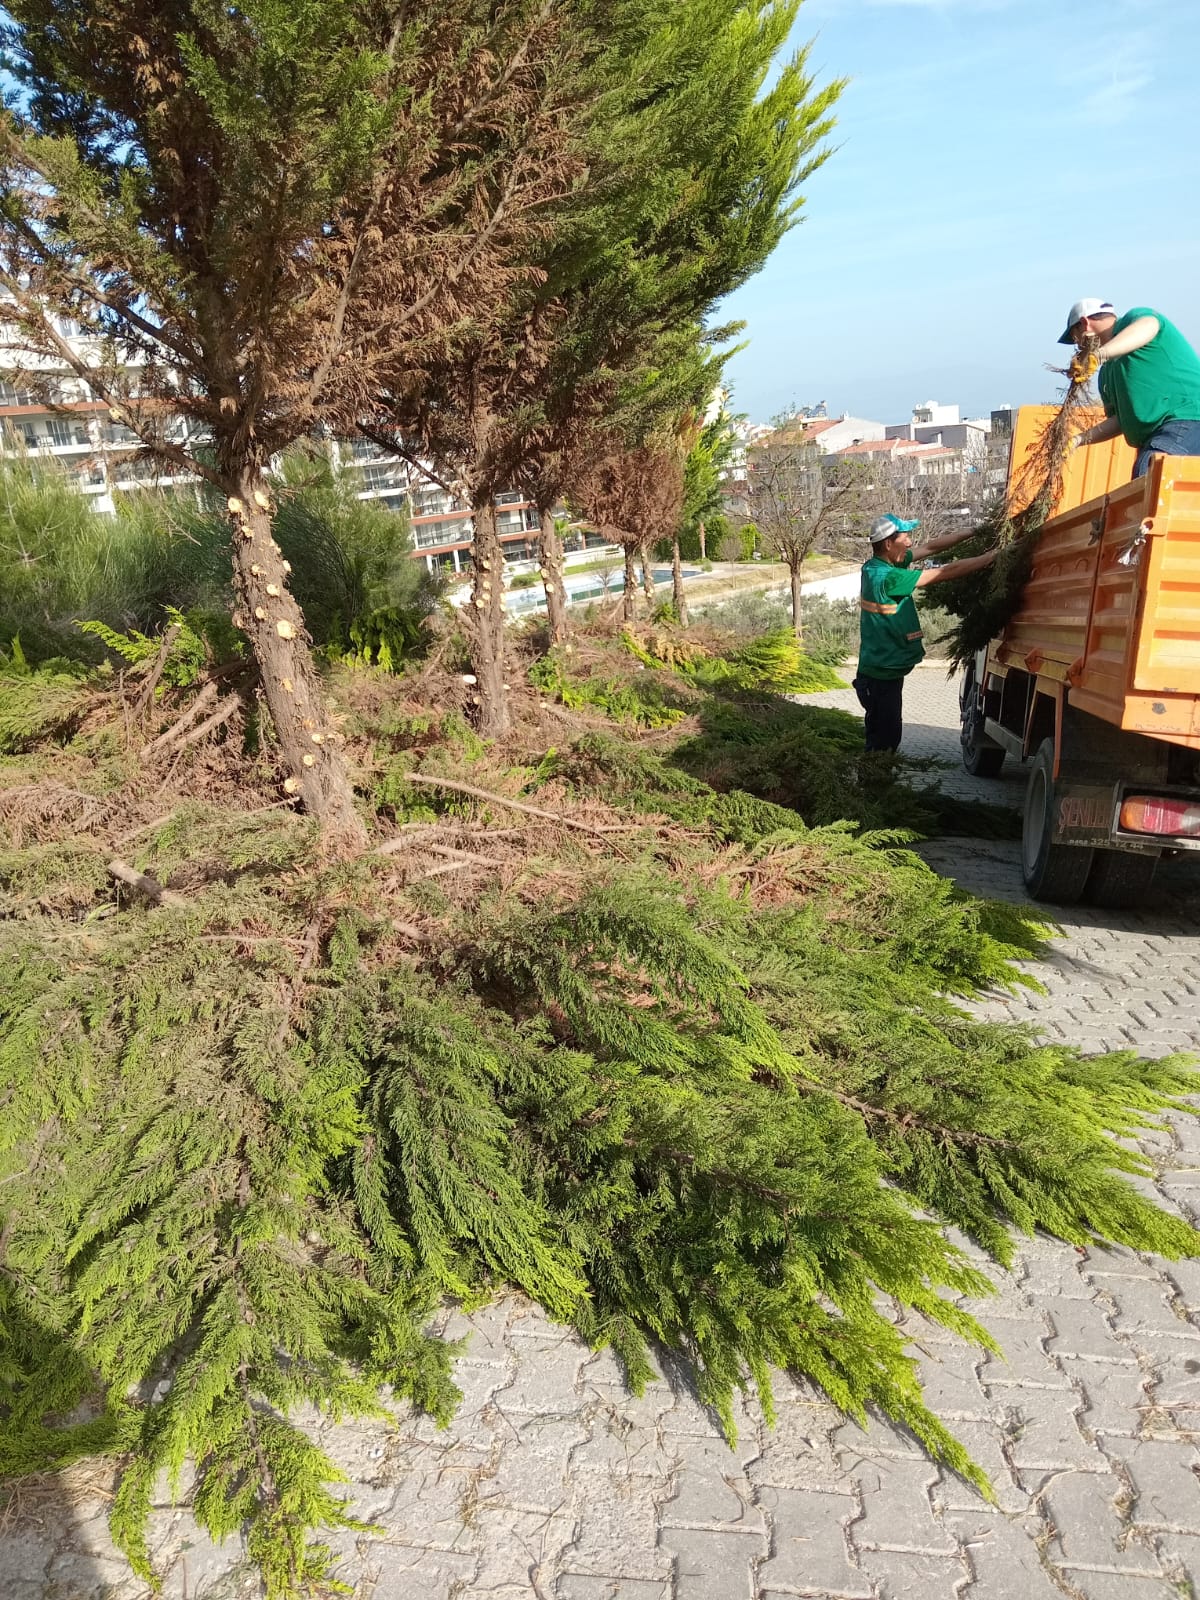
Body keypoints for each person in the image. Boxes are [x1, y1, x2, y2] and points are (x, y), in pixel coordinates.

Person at [854, 514, 996, 753]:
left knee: (884, 741)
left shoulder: (877, 565)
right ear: (888, 544)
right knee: (884, 745)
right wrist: (993, 556)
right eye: (905, 537)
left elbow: (930, 547)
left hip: (880, 672)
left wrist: (972, 531)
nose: (910, 543)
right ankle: (873, 786)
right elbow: (945, 572)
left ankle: (876, 783)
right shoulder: (888, 577)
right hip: (880, 677)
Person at [1060, 298, 1200, 477]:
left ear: (1085, 324)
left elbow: (1149, 325)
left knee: (1151, 472)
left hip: (1187, 421)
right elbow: (1120, 420)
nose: (1079, 347)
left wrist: (1099, 355)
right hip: (1157, 436)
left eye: (1075, 338)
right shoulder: (1107, 373)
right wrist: (1078, 440)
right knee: (1145, 482)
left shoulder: (1132, 321)